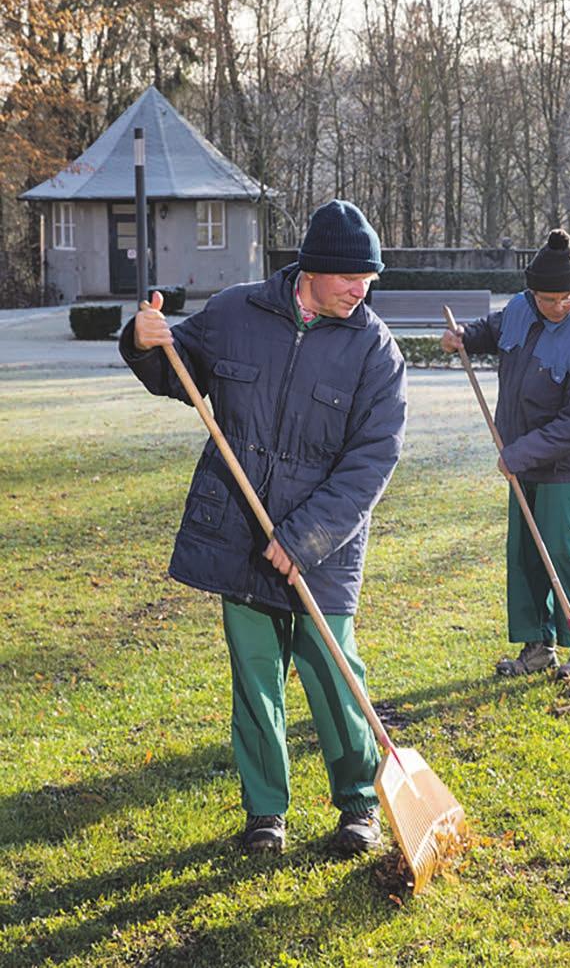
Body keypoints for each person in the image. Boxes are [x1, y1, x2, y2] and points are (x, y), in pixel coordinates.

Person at [119, 200, 407, 857]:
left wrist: (303, 538)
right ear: (311, 268)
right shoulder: (235, 312)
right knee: (254, 682)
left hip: (321, 551)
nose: (360, 290)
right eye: (349, 277)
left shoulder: (374, 350)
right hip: (238, 534)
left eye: (369, 279)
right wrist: (143, 337)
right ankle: (265, 813)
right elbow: (176, 370)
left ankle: (358, 804)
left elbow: (373, 459)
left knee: (335, 678)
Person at [441, 228, 570, 680]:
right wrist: (464, 336)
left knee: (562, 552)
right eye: (549, 298)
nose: (559, 306)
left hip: (566, 467)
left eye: (567, 297)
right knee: (524, 555)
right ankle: (537, 647)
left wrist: (520, 453)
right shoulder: (521, 308)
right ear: (531, 291)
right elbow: (494, 330)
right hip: (522, 457)